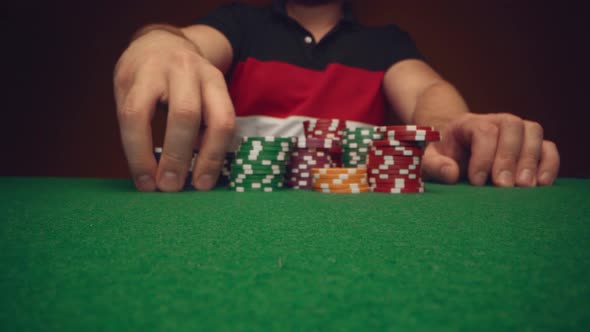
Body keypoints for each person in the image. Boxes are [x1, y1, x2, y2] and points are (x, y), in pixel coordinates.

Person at [113, 0, 560, 193]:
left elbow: (427, 90)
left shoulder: (386, 44)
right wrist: (158, 43)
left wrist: (451, 125)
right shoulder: (239, 25)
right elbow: (185, 42)